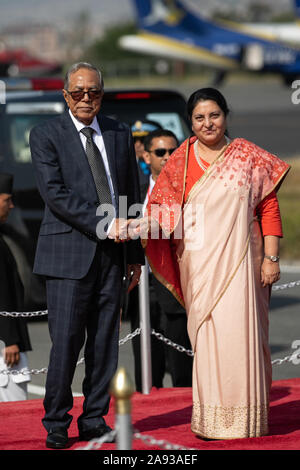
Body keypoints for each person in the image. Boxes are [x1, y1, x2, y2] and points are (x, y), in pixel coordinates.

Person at [134, 88, 290, 439]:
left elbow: (268, 208)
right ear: (190, 123)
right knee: (207, 340)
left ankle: (245, 421)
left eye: (214, 115)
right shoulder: (180, 160)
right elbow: (163, 214)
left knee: (242, 337)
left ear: (225, 114)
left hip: (243, 264)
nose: (208, 123)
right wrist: (133, 226)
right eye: (199, 118)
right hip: (200, 267)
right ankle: (212, 422)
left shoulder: (248, 156)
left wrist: (271, 257)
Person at [29, 62, 144, 449]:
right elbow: (55, 194)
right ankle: (56, 422)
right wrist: (106, 226)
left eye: (92, 92)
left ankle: (94, 417)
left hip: (114, 258)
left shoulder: (118, 131)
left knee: (104, 345)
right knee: (65, 342)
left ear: (102, 94)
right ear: (65, 95)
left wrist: (135, 255)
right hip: (67, 255)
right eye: (77, 92)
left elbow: (129, 193)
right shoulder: (46, 134)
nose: (85, 99)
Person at [129, 129, 193, 391]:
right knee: (146, 362)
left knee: (181, 362)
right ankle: (146, 410)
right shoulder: (134, 193)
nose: (168, 157)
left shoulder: (188, 193)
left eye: (173, 151)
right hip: (142, 285)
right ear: (146, 156)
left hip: (176, 286)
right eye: (160, 152)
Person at [0, 173, 32, 402]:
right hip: (4, 344)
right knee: (14, 407)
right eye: (6, 200)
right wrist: (9, 339)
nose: (11, 206)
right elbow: (2, 292)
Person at [131, 120, 162, 188]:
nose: (137, 144)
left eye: (143, 140)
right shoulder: (126, 169)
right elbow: (123, 194)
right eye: (134, 140)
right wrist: (123, 199)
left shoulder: (167, 166)